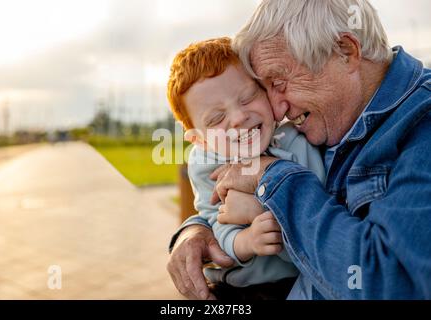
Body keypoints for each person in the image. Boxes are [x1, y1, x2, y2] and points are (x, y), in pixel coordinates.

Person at [167, 0, 431, 300]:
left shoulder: (422, 125)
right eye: (265, 88)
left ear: (345, 51)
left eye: (279, 82)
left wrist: (272, 178)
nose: (277, 110)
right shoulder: (336, 121)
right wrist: (197, 230)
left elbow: (394, 282)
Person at [166, 37, 325, 299]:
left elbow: (319, 214)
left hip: (300, 280)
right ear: (200, 139)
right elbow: (216, 226)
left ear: (266, 91)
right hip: (238, 287)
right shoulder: (206, 165)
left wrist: (260, 212)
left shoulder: (298, 141)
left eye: (248, 97)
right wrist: (247, 241)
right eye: (217, 118)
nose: (239, 118)